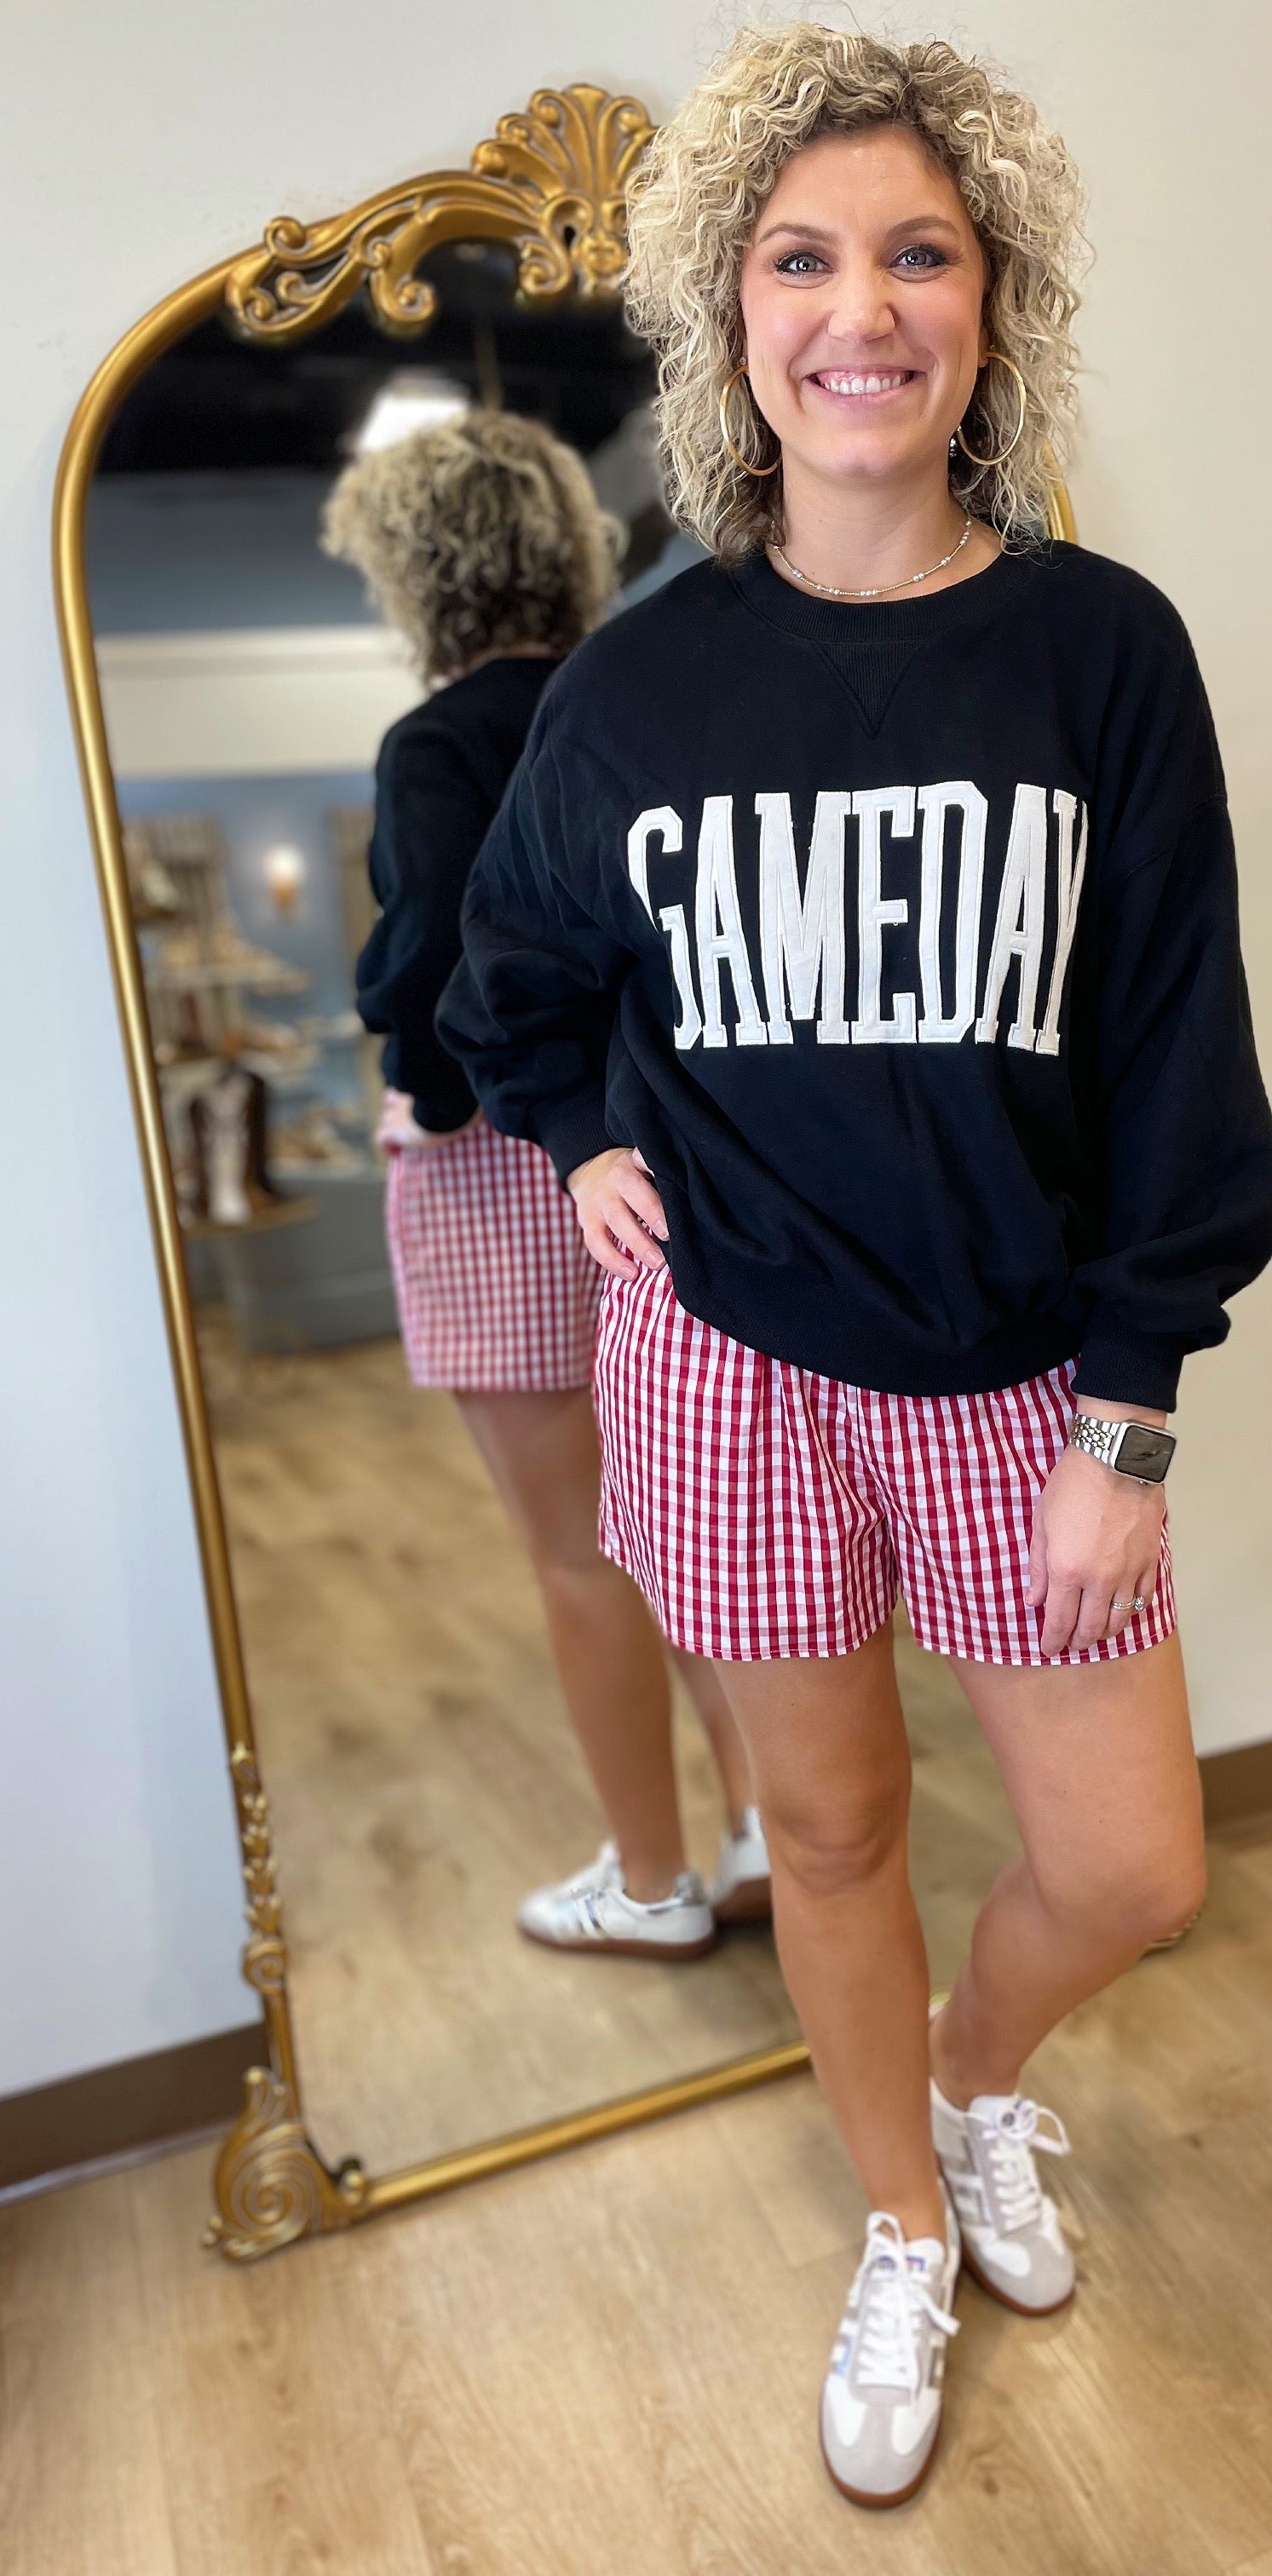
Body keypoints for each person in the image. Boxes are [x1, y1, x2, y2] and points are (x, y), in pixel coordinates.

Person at [440, 27, 1272, 2508]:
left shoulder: (1099, 652)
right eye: (802, 261)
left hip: (1025, 1374)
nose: (862, 309)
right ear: (735, 319)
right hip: (724, 1370)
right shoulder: (637, 684)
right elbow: (510, 976)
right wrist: (581, 1139)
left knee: (1129, 1868)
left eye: (918, 254)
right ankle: (902, 2221)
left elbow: (1178, 1048)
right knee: (823, 1840)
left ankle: (970, 2077)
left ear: (990, 306)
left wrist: (1135, 1399)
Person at [322, 409, 769, 1960]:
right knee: (697, 1534)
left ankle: (649, 1881)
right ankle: (766, 1830)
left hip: (495, 1171)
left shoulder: (437, 743)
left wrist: (391, 1024)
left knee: (581, 1556)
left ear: (414, 572)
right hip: (652, 1159)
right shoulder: (636, 700)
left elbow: (436, 977)